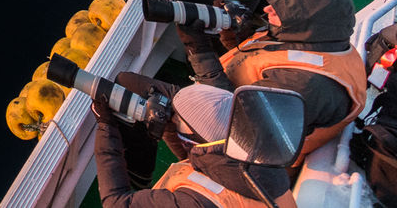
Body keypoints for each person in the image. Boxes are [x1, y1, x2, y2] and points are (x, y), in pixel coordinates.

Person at [215, 0, 366, 162]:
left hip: (253, 156)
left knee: (167, 100)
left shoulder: (306, 84)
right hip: (243, 110)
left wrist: (199, 52)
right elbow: (264, 56)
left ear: (306, 20)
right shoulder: (321, 41)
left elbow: (241, 125)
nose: (267, 8)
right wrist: (235, 32)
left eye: (281, 10)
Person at [92, 81, 292, 206]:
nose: (174, 118)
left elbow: (116, 203)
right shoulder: (264, 159)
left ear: (195, 140)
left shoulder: (194, 200)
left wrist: (106, 127)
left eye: (179, 119)